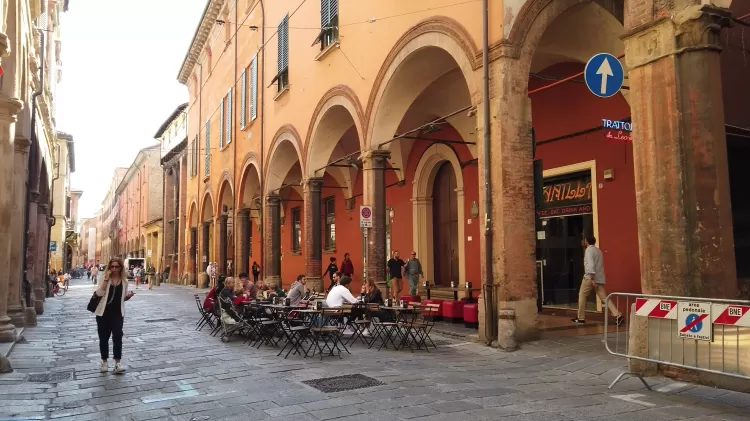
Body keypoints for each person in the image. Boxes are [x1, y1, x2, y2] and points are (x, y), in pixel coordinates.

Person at [93, 258, 135, 374]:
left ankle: (117, 363)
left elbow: (122, 298)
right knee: (104, 338)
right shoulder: (104, 278)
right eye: (112, 267)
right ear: (109, 268)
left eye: (117, 267)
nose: (114, 269)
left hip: (117, 313)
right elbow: (99, 293)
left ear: (121, 268)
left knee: (117, 337)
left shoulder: (124, 281)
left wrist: (128, 297)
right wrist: (106, 280)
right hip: (103, 313)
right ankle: (104, 362)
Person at [572, 236, 624, 326]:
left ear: (586, 241)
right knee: (605, 298)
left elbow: (591, 265)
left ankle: (581, 318)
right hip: (599, 278)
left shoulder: (588, 251)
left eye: (584, 240)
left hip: (590, 278)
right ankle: (617, 314)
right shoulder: (598, 251)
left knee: (582, 295)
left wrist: (592, 279)